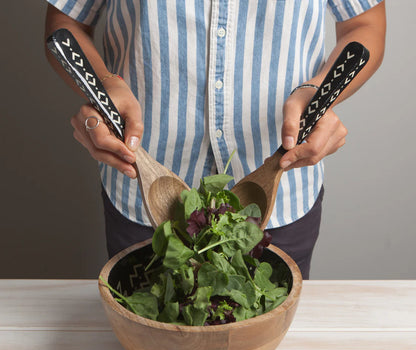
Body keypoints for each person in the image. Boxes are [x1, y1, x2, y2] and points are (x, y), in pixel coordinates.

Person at [44, 0, 386, 279]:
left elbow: (365, 25)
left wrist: (319, 92)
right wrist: (104, 84)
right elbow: (66, 22)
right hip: (142, 193)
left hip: (281, 197)